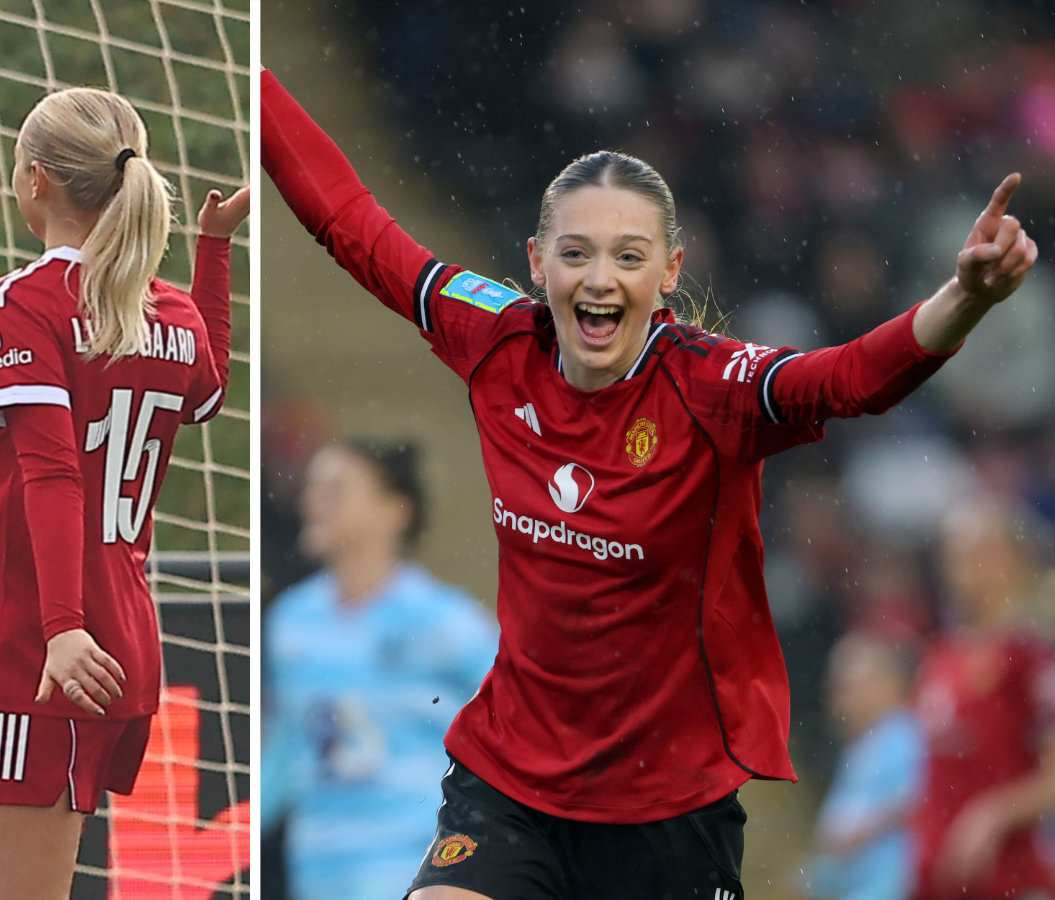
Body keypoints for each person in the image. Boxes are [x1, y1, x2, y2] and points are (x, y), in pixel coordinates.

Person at [261, 68, 1040, 900]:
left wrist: (966, 296)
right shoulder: (496, 339)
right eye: (576, 253)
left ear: (668, 270)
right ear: (537, 262)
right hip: (512, 792)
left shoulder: (717, 390)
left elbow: (850, 378)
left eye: (627, 257)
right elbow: (352, 225)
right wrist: (255, 78)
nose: (599, 279)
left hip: (670, 814)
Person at [0, 87, 246, 900]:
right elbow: (209, 392)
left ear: (36, 181)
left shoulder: (21, 303)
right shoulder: (169, 308)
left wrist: (58, 631)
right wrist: (212, 253)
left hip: (45, 646)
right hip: (125, 632)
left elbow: (51, 472)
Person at [264, 438, 498, 900]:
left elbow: (518, 730)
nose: (314, 502)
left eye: (336, 489)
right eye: (312, 488)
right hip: (318, 871)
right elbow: (287, 751)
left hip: (418, 867)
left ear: (395, 510)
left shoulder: (445, 622)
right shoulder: (290, 621)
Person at [911, 502, 1055, 899]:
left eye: (978, 549)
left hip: (1007, 876)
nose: (961, 563)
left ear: (1016, 561)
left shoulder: (1031, 656)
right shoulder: (940, 655)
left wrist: (991, 814)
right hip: (937, 874)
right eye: (953, 551)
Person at [798, 632, 924, 900]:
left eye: (847, 687)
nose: (836, 699)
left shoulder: (906, 736)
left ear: (888, 683)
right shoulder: (864, 744)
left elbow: (925, 798)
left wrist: (863, 831)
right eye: (833, 688)